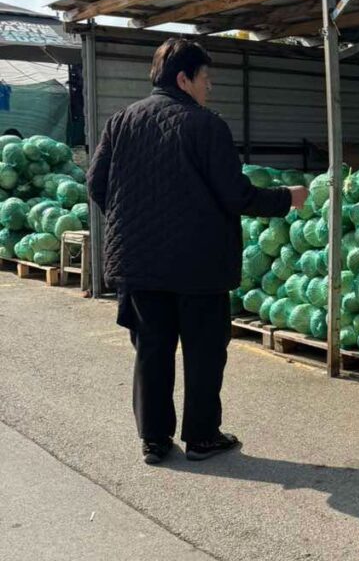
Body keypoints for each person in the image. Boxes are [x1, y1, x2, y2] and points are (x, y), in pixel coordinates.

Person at [87, 39, 309, 465]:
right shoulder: (206, 126)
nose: (210, 88)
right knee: (204, 352)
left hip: (138, 263)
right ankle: (202, 437)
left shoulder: (120, 122)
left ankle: (154, 440)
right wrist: (287, 198)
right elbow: (236, 195)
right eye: (206, 79)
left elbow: (97, 186)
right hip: (199, 264)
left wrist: (131, 222)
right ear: (184, 79)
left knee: (152, 349)